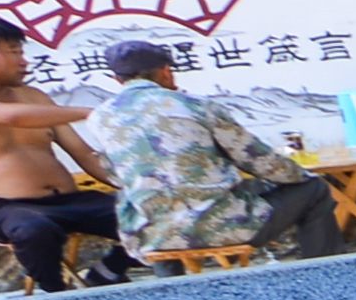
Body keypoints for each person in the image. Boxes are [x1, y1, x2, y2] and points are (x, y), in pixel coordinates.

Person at [0, 14, 126, 293]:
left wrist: (138, 187)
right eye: (14, 52)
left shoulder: (35, 97)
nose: (24, 61)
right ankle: (57, 294)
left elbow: (85, 155)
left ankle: (108, 270)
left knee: (153, 209)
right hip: (3, 209)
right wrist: (92, 112)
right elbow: (6, 115)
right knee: (33, 228)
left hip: (69, 200)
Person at [91, 43, 330, 260]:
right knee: (314, 188)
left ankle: (170, 285)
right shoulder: (194, 105)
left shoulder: (100, 118)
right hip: (227, 228)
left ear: (116, 79)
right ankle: (327, 276)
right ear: (165, 71)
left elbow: (115, 176)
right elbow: (256, 160)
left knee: (155, 205)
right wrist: (301, 174)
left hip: (151, 238)